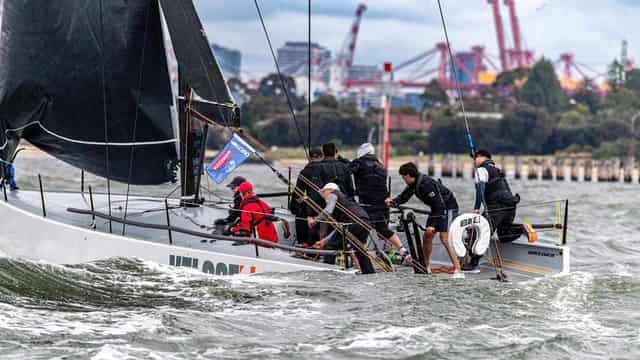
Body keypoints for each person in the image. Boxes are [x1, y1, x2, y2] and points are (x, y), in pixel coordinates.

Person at [465, 149, 536, 272]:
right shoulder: (497, 171)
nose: (474, 162)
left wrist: (477, 208)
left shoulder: (482, 170)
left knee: (481, 232)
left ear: (482, 157)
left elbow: (480, 189)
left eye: (475, 158)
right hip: (511, 205)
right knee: (504, 234)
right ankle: (521, 228)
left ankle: (473, 264)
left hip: (496, 207)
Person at [385, 162, 462, 276]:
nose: (403, 179)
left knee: (444, 238)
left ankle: (458, 269)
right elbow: (404, 196)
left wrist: (432, 225)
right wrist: (393, 201)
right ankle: (425, 266)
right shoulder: (414, 183)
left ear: (408, 175)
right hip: (436, 209)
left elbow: (439, 205)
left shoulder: (426, 184)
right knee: (427, 236)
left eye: (403, 177)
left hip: (447, 207)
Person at [351, 143, 409, 261]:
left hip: (367, 204)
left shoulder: (358, 163)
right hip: (383, 203)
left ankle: (360, 257)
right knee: (383, 229)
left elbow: (345, 172)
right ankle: (402, 249)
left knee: (361, 229)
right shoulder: (381, 166)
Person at [307, 183, 375, 274]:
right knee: (359, 250)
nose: (323, 196)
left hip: (352, 223)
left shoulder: (333, 194)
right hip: (365, 222)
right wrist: (324, 241)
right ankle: (369, 273)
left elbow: (328, 210)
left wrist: (315, 220)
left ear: (329, 189)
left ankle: (327, 273)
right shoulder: (344, 200)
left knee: (330, 247)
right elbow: (339, 229)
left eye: (323, 192)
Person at [289, 147, 325, 247]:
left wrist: (293, 208)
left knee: (300, 216)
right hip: (325, 207)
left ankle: (304, 244)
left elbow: (298, 192)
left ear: (309, 158)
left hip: (311, 210)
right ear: (322, 156)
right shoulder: (326, 169)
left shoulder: (305, 172)